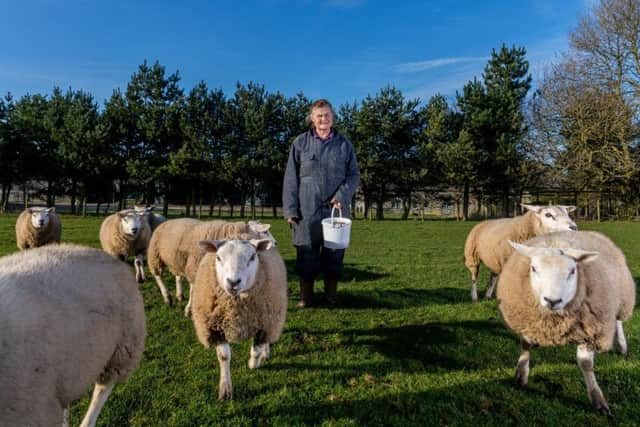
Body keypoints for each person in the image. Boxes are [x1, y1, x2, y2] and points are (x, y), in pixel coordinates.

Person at [282, 99, 360, 308]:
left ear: (333, 117)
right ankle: (306, 298)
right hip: (306, 209)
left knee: (334, 254)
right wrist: (290, 209)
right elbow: (291, 178)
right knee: (306, 252)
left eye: (327, 115)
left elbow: (354, 176)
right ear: (312, 119)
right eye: (319, 115)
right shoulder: (300, 143)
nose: (323, 119)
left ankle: (331, 296)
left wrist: (342, 195)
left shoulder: (344, 144)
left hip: (336, 210)